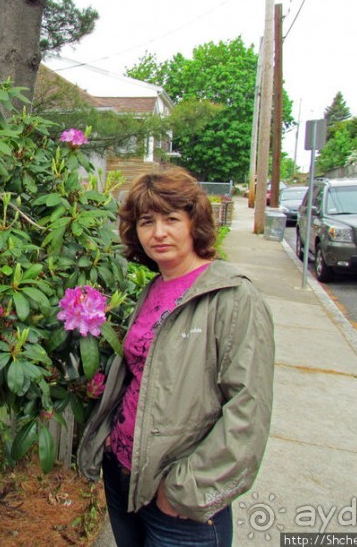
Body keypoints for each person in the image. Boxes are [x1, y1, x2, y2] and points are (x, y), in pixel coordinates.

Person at [77, 166, 275, 546]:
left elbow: (248, 411)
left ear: (194, 222)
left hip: (179, 499)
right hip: (124, 477)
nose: (159, 233)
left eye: (171, 219)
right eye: (146, 222)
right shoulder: (156, 287)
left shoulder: (232, 297)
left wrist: (187, 491)